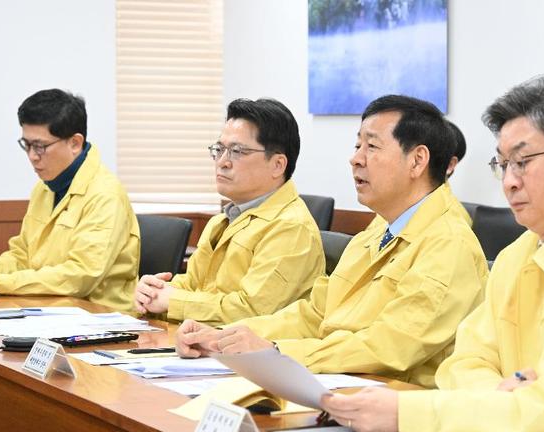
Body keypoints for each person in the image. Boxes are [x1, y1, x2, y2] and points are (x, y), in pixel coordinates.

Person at [321, 76, 544, 432]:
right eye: (503, 164)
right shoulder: (517, 253)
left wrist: (402, 413)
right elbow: (461, 363)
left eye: (522, 162)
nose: (509, 181)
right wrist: (502, 395)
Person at [175, 95, 488, 387]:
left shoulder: (450, 243)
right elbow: (316, 313)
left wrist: (276, 351)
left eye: (371, 146)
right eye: (357, 145)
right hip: (342, 384)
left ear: (417, 161)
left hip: (400, 401)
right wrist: (227, 336)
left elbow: (390, 346)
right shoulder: (378, 230)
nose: (355, 159)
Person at [134, 98, 324, 325]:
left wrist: (173, 301)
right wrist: (154, 292)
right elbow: (193, 286)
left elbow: (252, 311)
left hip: (247, 347)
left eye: (237, 151)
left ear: (277, 165)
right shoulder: (222, 221)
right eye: (220, 149)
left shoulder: (291, 228)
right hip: (200, 338)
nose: (222, 162)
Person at [0, 89, 140, 311]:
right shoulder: (45, 188)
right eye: (27, 145)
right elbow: (22, 257)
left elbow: (81, 276)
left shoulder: (105, 194)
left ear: (75, 143)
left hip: (100, 316)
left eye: (40, 146)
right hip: (50, 308)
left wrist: (1, 282)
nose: (32, 156)